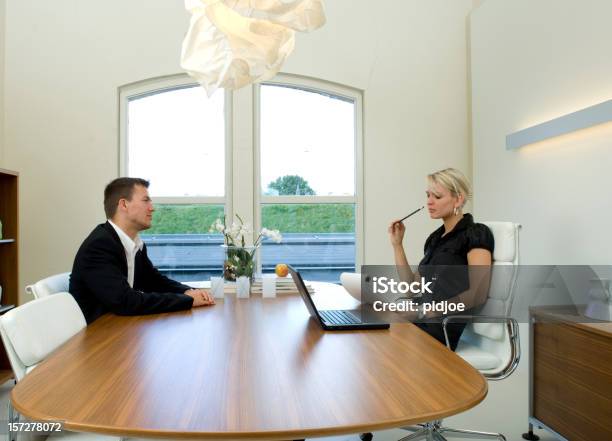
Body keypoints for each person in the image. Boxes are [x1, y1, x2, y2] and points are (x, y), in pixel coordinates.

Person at [70, 177, 215, 324]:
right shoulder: (99, 246)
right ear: (124, 204)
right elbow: (126, 301)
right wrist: (187, 300)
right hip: (99, 338)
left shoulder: (135, 244)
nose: (152, 208)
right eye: (146, 201)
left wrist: (188, 291)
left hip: (122, 328)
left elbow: (153, 281)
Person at [388, 168, 494, 350]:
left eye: (436, 197)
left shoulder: (476, 233)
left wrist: (422, 312)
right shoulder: (435, 238)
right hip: (421, 322)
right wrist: (397, 245)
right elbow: (412, 289)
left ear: (458, 199)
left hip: (441, 329)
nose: (429, 202)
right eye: (428, 195)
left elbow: (477, 293)